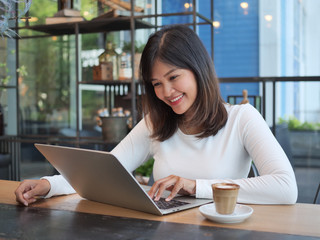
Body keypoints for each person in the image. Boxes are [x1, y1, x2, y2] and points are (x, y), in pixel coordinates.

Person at [15, 24, 298, 207]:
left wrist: (194, 186)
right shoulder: (157, 121)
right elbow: (106, 171)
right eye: (156, 84)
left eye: (174, 77)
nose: (167, 92)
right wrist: (49, 184)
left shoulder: (242, 118)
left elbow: (286, 188)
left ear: (198, 70)